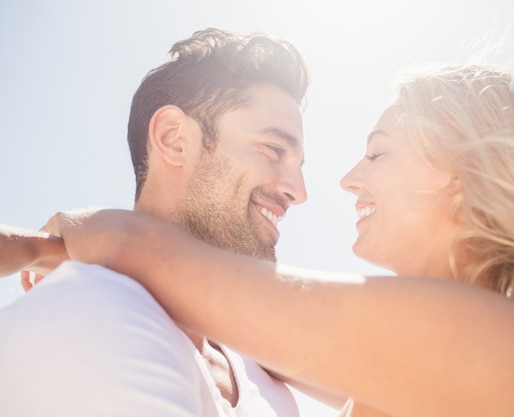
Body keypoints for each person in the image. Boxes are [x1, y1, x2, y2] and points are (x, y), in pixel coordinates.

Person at [4, 64, 514, 417]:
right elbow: (245, 327)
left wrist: (49, 242)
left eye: (377, 153)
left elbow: (155, 254)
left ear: (466, 182)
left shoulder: (499, 344)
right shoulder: (444, 355)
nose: (346, 180)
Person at [0, 27, 318, 416]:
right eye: (273, 149)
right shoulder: (91, 318)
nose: (299, 191)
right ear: (173, 138)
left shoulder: (262, 372)